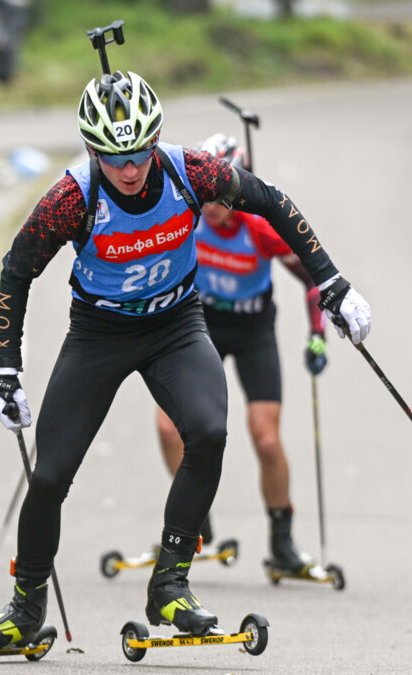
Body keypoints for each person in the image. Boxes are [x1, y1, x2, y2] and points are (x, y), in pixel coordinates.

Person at [0, 67, 372, 650]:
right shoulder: (74, 196)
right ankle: (24, 608)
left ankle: (171, 584)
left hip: (175, 324)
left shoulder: (190, 170)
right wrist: (6, 369)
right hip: (98, 333)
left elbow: (272, 201)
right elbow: (16, 269)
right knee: (50, 474)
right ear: (92, 150)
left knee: (207, 432)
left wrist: (332, 282)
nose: (129, 170)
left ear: (156, 141)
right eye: (113, 157)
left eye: (139, 154)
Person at [153, 132, 328, 576]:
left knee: (266, 438)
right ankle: (194, 524)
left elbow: (310, 278)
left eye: (220, 195)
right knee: (171, 430)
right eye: (204, 194)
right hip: (199, 325)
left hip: (252, 330)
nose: (211, 205)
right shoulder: (187, 218)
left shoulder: (260, 227)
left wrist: (317, 334)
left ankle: (283, 543)